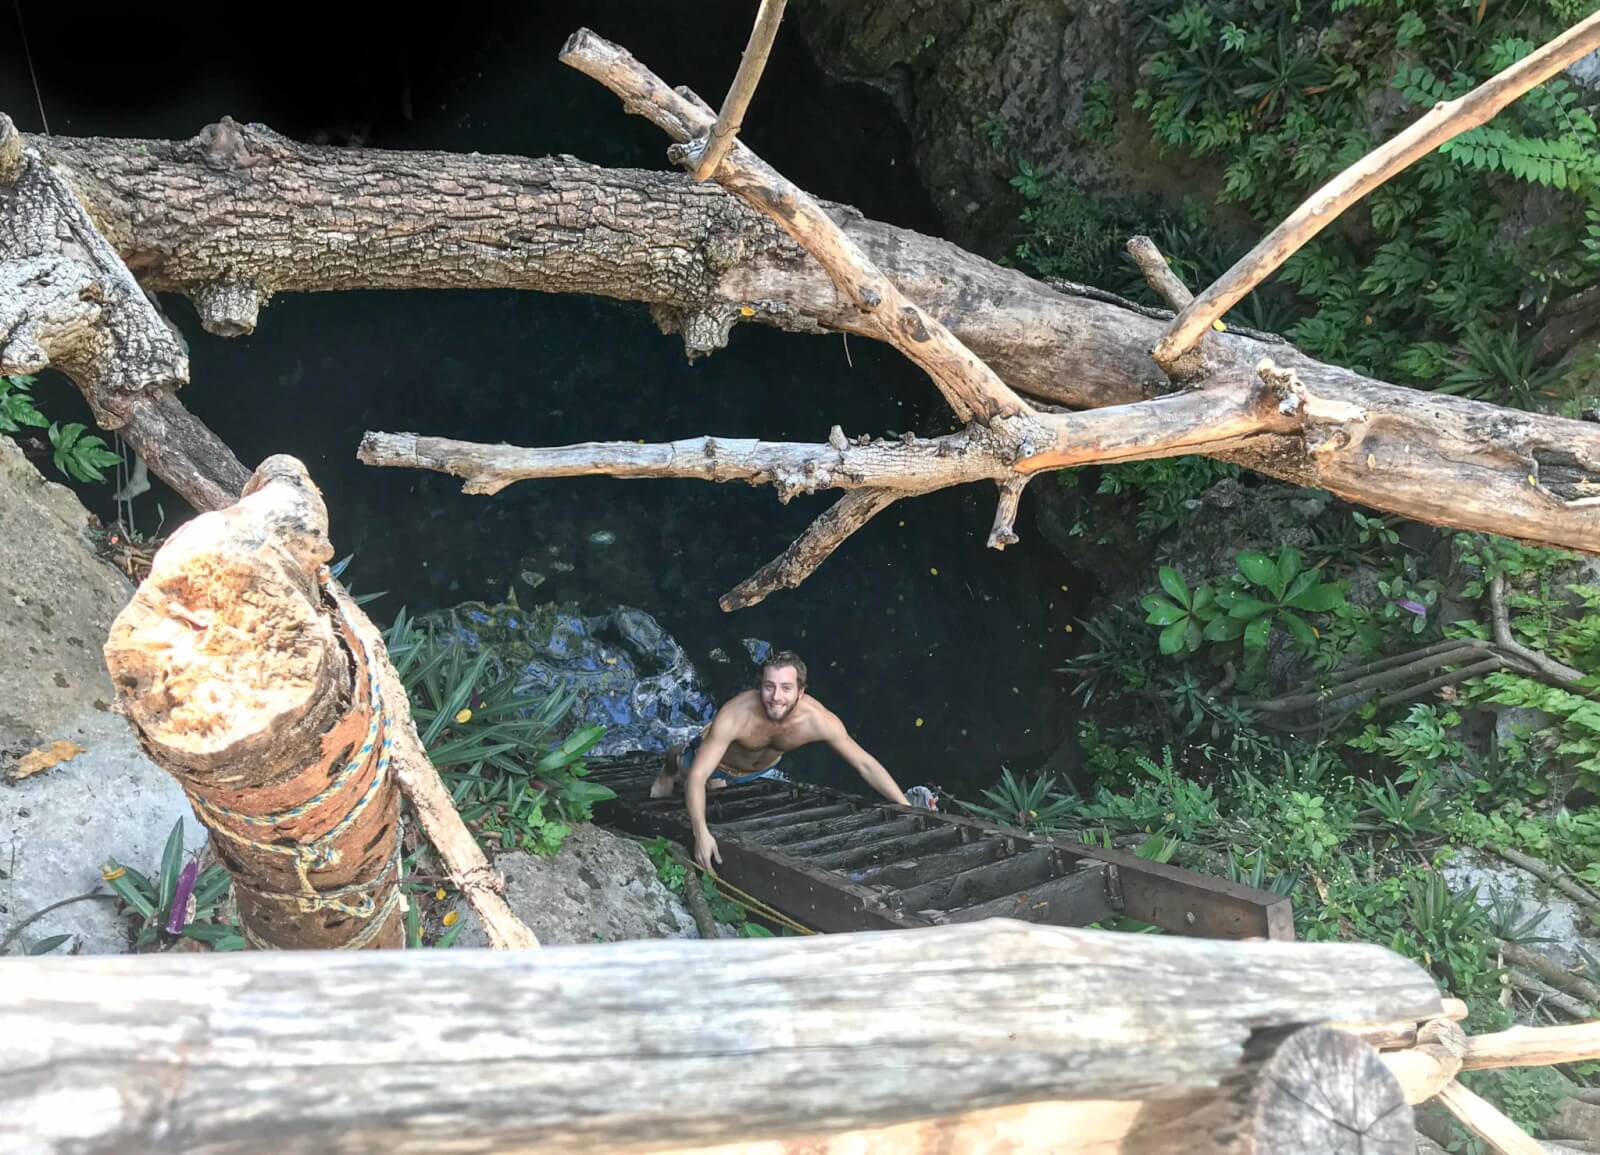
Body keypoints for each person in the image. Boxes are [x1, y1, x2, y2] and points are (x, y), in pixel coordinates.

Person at [649, 650, 915, 873]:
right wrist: (701, 833)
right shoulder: (736, 714)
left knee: (715, 786)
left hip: (758, 770)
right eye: (769, 686)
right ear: (760, 686)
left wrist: (904, 805)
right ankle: (667, 769)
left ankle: (716, 782)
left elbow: (864, 764)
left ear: (801, 691)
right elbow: (697, 775)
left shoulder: (817, 720)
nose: (776, 697)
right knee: (685, 763)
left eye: (786, 688)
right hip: (720, 762)